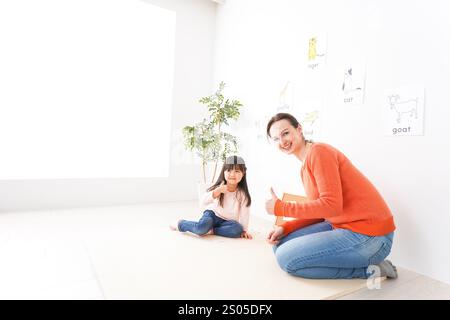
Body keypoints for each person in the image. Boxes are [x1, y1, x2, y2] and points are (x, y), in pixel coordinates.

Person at [265, 112, 397, 279]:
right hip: (344, 226)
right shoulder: (305, 165)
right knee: (279, 244)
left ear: (299, 129)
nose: (282, 141)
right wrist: (286, 227)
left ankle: (371, 270)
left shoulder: (319, 152)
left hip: (371, 236)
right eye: (276, 139)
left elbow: (331, 205)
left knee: (286, 259)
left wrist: (281, 207)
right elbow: (321, 212)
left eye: (285, 133)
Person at [170, 155, 252, 239]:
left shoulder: (243, 195)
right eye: (228, 170)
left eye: (237, 171)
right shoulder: (219, 187)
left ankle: (211, 230)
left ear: (243, 173)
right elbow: (203, 201)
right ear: (223, 172)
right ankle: (180, 223)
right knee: (200, 228)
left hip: (227, 222)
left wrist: (244, 230)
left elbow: (244, 214)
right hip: (212, 215)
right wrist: (217, 191)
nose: (232, 174)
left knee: (237, 229)